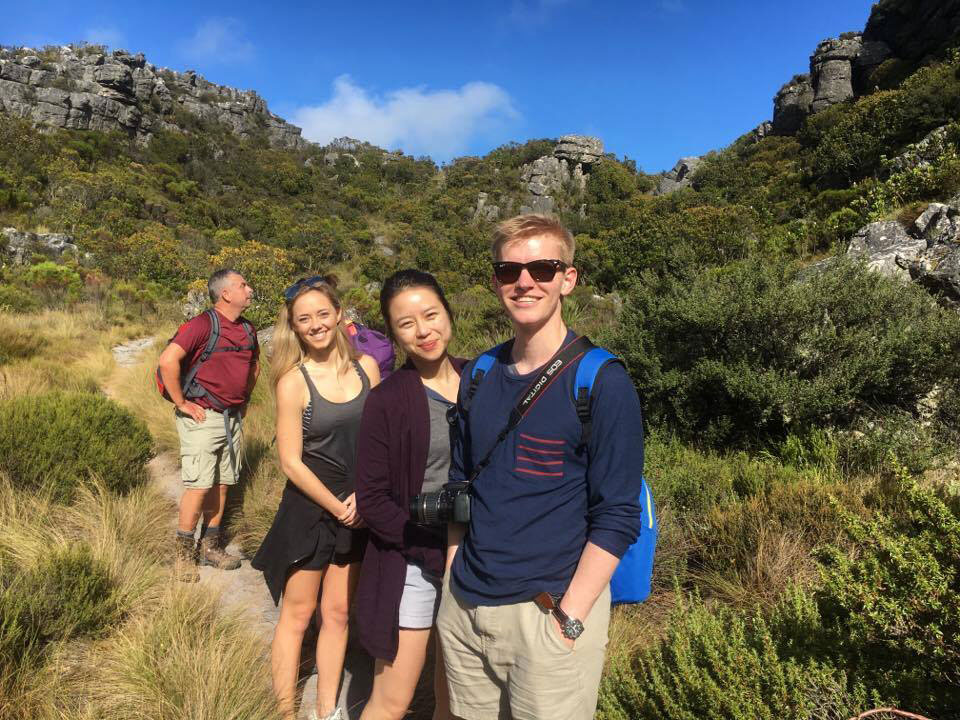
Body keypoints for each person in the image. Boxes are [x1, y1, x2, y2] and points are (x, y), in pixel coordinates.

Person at [436, 214, 646, 720]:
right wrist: (450, 583)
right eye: (509, 270)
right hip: (465, 606)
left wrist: (569, 619)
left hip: (548, 613)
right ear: (495, 281)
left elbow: (618, 514)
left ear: (567, 280)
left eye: (543, 268)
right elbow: (462, 485)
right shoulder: (479, 374)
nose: (524, 282)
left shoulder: (602, 381)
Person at [251, 275, 381, 720]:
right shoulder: (293, 380)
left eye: (323, 314)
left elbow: (379, 443)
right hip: (311, 511)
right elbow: (291, 462)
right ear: (294, 325)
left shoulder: (369, 368)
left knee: (339, 613)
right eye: (304, 319)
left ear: (339, 314)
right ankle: (285, 711)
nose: (316, 324)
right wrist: (338, 506)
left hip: (357, 509)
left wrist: (364, 497)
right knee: (298, 615)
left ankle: (328, 709)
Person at [354, 270, 462, 720]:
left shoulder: (485, 380)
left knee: (456, 699)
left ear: (449, 314)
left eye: (431, 315)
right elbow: (373, 497)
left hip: (478, 559)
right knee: (393, 700)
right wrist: (426, 547)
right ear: (394, 335)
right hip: (413, 560)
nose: (423, 331)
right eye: (406, 323)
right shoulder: (388, 399)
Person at [157, 268, 259, 582]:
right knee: (199, 485)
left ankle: (210, 548)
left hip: (232, 418)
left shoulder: (247, 328)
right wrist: (181, 403)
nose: (249, 289)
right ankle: (183, 557)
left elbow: (253, 365)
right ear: (225, 293)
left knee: (222, 483)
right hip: (202, 417)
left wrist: (243, 402)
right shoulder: (201, 325)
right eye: (243, 284)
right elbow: (167, 360)